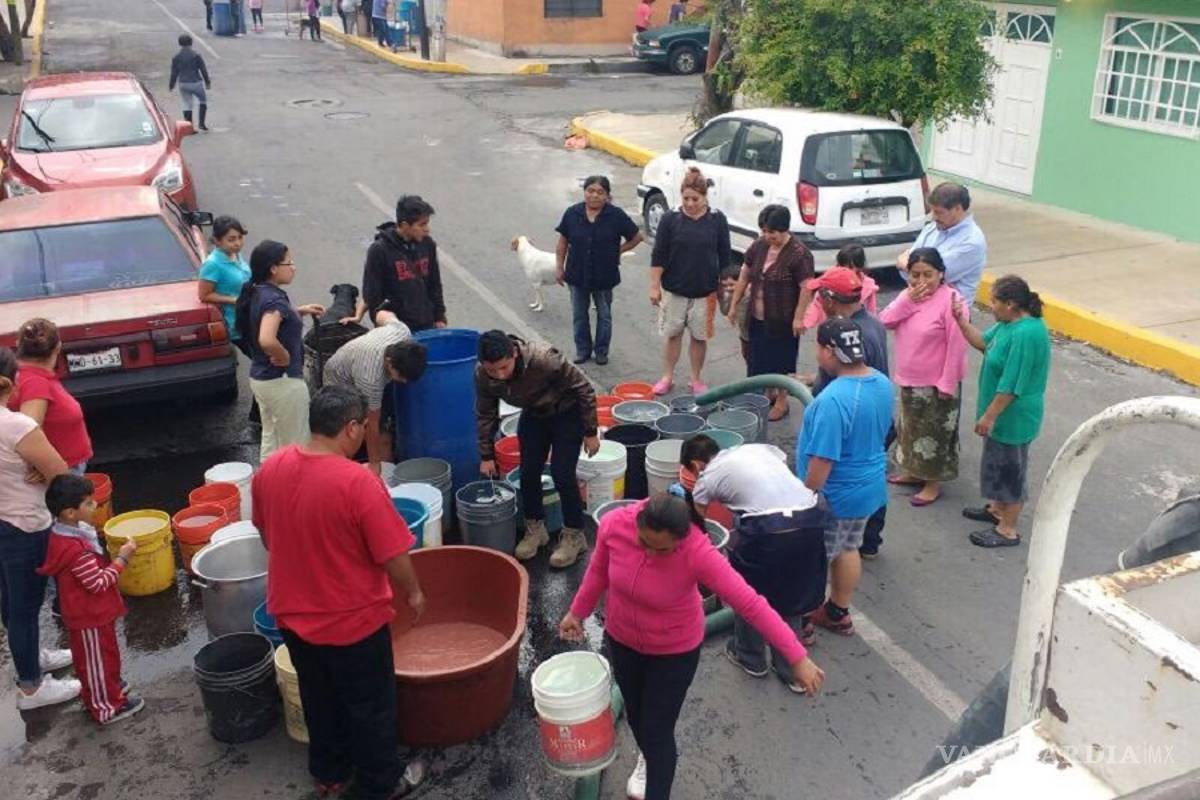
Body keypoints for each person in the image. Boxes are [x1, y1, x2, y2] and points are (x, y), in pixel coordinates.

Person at [560, 494, 824, 800]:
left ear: (680, 539)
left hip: (673, 653)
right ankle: (649, 755)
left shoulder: (697, 551)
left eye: (662, 549)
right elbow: (597, 572)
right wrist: (576, 612)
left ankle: (656, 773)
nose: (650, 553)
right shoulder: (614, 525)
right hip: (622, 641)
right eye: (644, 542)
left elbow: (750, 604)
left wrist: (796, 656)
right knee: (636, 718)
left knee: (657, 733)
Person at [253, 385, 427, 799]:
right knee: (370, 706)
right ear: (351, 428)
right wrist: (415, 593)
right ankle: (380, 783)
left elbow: (267, 536)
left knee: (319, 698)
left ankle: (329, 774)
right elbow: (393, 553)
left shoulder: (271, 469)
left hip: (293, 618)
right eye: (363, 427)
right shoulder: (357, 482)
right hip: (353, 623)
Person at [683, 435, 828, 678]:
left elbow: (697, 525)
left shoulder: (706, 478)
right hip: (811, 521)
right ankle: (791, 671)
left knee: (748, 594)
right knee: (792, 595)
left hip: (769, 531)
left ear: (696, 465)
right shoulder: (759, 449)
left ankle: (750, 657)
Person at [796, 319, 894, 635]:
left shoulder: (833, 400)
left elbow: (823, 459)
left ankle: (803, 623)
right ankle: (838, 612)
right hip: (868, 489)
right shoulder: (882, 383)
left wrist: (805, 497)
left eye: (818, 348)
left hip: (834, 497)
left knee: (812, 561)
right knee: (848, 547)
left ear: (828, 351)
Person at [476, 330, 599, 567]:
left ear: (514, 353)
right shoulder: (482, 375)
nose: (499, 375)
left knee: (562, 474)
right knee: (528, 472)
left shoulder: (544, 360)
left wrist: (590, 431)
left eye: (504, 367)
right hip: (533, 414)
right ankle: (535, 528)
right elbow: (485, 412)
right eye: (492, 370)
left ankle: (574, 535)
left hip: (567, 413)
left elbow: (584, 388)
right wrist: (486, 454)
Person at [0, 346, 78, 711]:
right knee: (25, 606)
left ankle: (32, 658)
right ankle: (32, 688)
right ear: (10, 382)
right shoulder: (16, 425)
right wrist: (39, 468)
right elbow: (60, 474)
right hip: (24, 525)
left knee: (9, 601)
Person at [953, 275, 1051, 548]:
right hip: (1001, 414)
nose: (991, 306)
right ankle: (997, 509)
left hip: (1013, 416)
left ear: (1010, 304)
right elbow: (984, 343)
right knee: (997, 461)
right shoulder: (1007, 325)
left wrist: (990, 416)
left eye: (994, 301)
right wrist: (961, 321)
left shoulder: (1026, 334)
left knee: (1011, 470)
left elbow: (1012, 384)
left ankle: (1007, 529)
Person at [37, 474, 143, 726]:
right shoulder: (76, 550)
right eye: (88, 503)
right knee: (97, 662)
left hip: (91, 614)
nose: (95, 505)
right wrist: (122, 559)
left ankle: (106, 691)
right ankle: (105, 707)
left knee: (102, 658)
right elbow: (98, 583)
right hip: (89, 616)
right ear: (70, 513)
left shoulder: (66, 534)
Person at [879, 248, 969, 507]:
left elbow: (957, 346)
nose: (921, 281)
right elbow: (885, 320)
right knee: (910, 428)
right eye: (915, 275)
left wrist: (947, 383)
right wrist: (907, 300)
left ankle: (932, 483)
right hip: (910, 378)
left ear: (941, 274)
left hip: (937, 383)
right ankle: (913, 471)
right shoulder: (908, 296)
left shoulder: (953, 301)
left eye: (927, 275)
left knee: (934, 434)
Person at [234, 240, 326, 461]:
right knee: (297, 445)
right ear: (273, 268)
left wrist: (298, 312)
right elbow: (266, 339)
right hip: (283, 383)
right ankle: (294, 481)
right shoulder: (274, 301)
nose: (293, 267)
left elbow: (269, 319)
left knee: (272, 439)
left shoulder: (258, 291)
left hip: (262, 379)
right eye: (288, 263)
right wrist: (283, 355)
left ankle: (268, 479)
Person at [726, 205, 814, 420]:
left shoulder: (800, 254)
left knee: (782, 360)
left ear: (784, 229)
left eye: (772, 232)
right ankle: (767, 393)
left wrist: (798, 317)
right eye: (764, 231)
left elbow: (806, 287)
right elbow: (745, 274)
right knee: (758, 358)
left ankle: (782, 400)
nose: (767, 236)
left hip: (783, 319)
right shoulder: (759, 246)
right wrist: (734, 304)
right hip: (757, 316)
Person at [650, 167, 731, 396]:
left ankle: (696, 379)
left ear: (705, 196)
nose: (690, 203)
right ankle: (667, 377)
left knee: (699, 337)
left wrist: (726, 289)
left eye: (695, 199)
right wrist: (654, 286)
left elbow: (725, 256)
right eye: (686, 198)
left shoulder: (717, 220)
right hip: (674, 290)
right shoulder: (670, 219)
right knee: (673, 334)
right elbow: (659, 255)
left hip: (705, 291)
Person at [322, 311, 427, 476]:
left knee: (384, 428)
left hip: (362, 359)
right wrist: (375, 463)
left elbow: (382, 314)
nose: (404, 381)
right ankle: (341, 470)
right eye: (401, 377)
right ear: (389, 362)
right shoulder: (370, 378)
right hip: (340, 380)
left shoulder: (402, 332)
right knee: (349, 432)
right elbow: (371, 425)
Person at [554, 176, 644, 366]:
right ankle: (583, 350)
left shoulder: (616, 215)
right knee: (579, 315)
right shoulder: (572, 213)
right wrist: (559, 267)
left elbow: (637, 237)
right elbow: (562, 242)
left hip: (605, 275)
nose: (594, 195)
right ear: (584, 192)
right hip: (577, 274)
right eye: (590, 191)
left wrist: (618, 251)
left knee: (604, 315)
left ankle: (601, 351)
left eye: (600, 192)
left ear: (607, 196)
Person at [8, 319, 93, 474]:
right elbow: (28, 430)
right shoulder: (35, 383)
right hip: (59, 473)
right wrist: (43, 468)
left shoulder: (27, 376)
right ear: (58, 347)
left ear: (18, 344)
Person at [363, 195, 447, 332]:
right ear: (404, 225)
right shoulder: (379, 251)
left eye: (427, 223)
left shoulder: (428, 245)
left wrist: (439, 317)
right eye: (422, 224)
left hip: (426, 324)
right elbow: (372, 296)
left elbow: (434, 284)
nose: (427, 229)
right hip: (395, 329)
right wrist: (388, 323)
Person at [897, 183, 987, 306]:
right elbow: (910, 273)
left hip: (950, 312)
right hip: (920, 305)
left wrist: (904, 264)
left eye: (939, 212)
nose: (934, 217)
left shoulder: (971, 242)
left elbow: (931, 278)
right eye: (933, 211)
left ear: (958, 209)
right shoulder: (932, 228)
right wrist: (909, 268)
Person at [797, 244, 878, 334]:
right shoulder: (831, 279)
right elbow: (817, 304)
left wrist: (873, 328)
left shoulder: (869, 286)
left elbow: (871, 311)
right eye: (842, 266)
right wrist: (805, 323)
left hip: (857, 331)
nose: (845, 270)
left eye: (850, 267)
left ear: (860, 266)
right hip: (831, 330)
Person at [199, 216, 251, 344]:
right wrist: (234, 300)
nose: (238, 243)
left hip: (250, 315)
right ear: (217, 241)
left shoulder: (236, 254)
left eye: (240, 237)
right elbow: (204, 295)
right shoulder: (212, 264)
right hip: (234, 322)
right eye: (231, 240)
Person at [168, 34, 211, 131]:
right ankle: (201, 124)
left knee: (187, 104)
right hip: (196, 82)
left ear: (179, 43)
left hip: (183, 83)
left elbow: (174, 73)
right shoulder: (196, 55)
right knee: (203, 101)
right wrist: (207, 82)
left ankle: (189, 128)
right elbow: (203, 70)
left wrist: (171, 85)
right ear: (191, 43)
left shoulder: (176, 57)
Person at [718, 264, 750, 371]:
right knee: (746, 356)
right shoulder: (729, 297)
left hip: (753, 334)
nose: (728, 288)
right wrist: (726, 298)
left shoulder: (748, 297)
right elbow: (724, 312)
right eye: (725, 286)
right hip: (743, 334)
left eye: (732, 285)